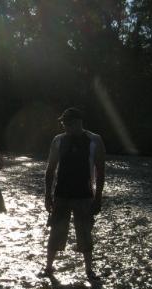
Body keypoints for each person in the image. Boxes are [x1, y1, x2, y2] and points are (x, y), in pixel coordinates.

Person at [43, 107, 105, 278]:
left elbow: (100, 171)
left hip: (85, 196)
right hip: (61, 194)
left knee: (85, 232)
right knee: (55, 231)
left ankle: (89, 270)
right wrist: (48, 196)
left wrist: (98, 197)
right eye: (63, 123)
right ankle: (48, 267)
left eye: (67, 123)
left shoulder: (94, 140)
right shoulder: (58, 140)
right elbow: (50, 169)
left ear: (78, 123)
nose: (64, 126)